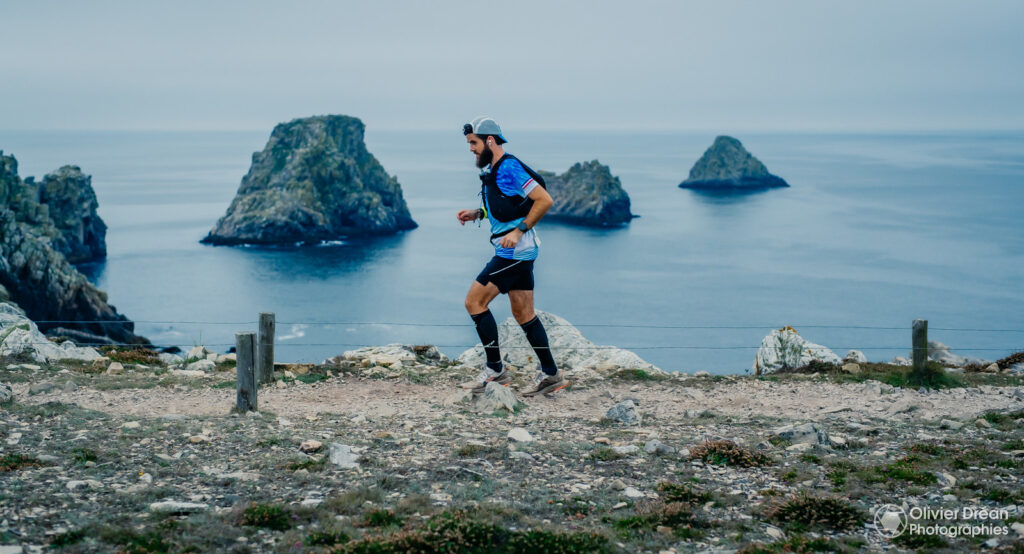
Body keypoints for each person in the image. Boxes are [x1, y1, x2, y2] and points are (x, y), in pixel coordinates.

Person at [456, 116, 568, 398]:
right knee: (523, 313)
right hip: (519, 252)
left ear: (489, 141)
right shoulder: (495, 170)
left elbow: (544, 200)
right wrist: (477, 214)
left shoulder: (509, 167)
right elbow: (508, 205)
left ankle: (495, 369)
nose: (471, 148)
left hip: (513, 252)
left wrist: (518, 232)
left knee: (474, 302)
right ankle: (551, 374)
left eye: (474, 143)